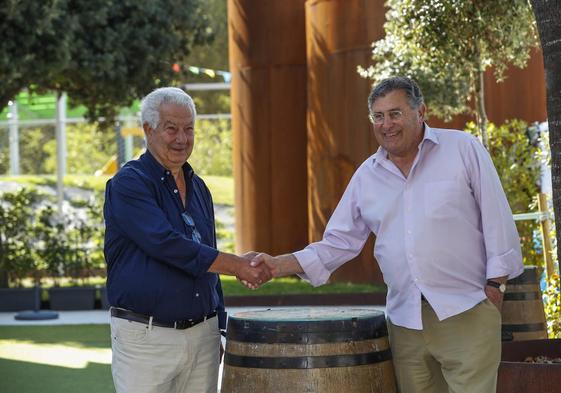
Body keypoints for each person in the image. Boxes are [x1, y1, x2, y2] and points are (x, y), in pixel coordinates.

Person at [251, 76, 523, 393]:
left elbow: (497, 219)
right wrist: (277, 265)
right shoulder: (367, 176)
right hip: (405, 323)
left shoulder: (463, 149)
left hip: (466, 311)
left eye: (395, 113)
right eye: (378, 116)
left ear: (421, 112)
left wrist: (496, 285)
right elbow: (337, 243)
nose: (386, 124)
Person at [103, 87, 272, 393]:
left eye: (189, 129)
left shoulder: (200, 188)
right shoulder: (128, 184)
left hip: (203, 338)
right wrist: (237, 265)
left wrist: (218, 327)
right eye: (171, 129)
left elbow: (206, 255)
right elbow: (167, 244)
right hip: (146, 338)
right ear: (148, 129)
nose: (182, 139)